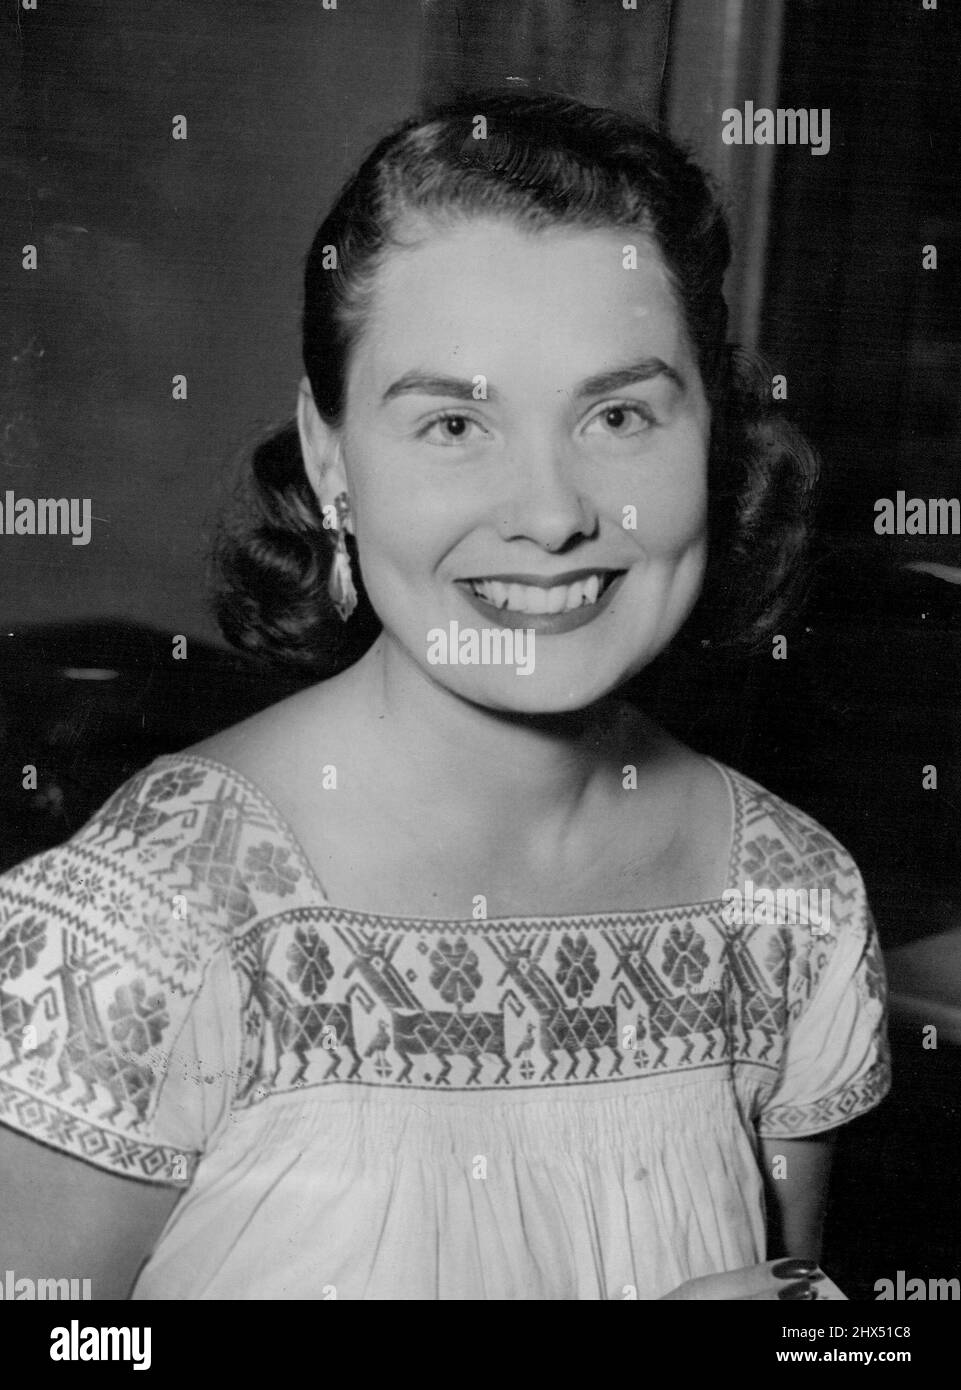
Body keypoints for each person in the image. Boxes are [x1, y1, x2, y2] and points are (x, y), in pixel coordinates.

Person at [0, 92, 889, 1301]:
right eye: (454, 421)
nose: (549, 511)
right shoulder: (140, 928)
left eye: (619, 413)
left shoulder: (794, 902)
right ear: (330, 458)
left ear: (714, 438)